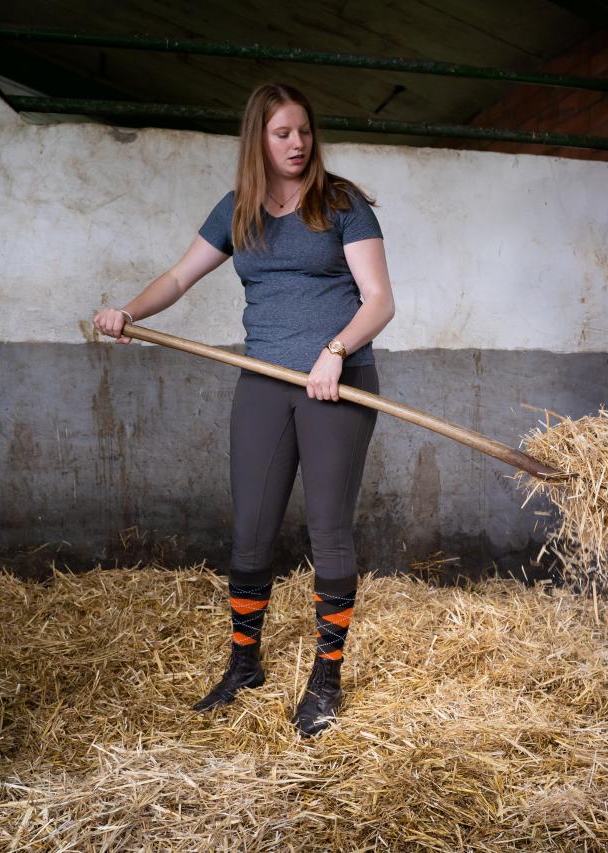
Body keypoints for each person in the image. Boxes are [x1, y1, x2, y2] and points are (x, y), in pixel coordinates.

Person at [93, 82, 395, 738]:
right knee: (252, 529)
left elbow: (378, 299)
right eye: (283, 133)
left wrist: (336, 351)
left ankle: (327, 677)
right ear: (258, 138)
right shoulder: (239, 211)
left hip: (334, 384)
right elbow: (177, 277)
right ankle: (243, 663)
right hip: (263, 380)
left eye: (305, 132)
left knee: (328, 531)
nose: (297, 144)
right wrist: (129, 312)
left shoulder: (341, 204)